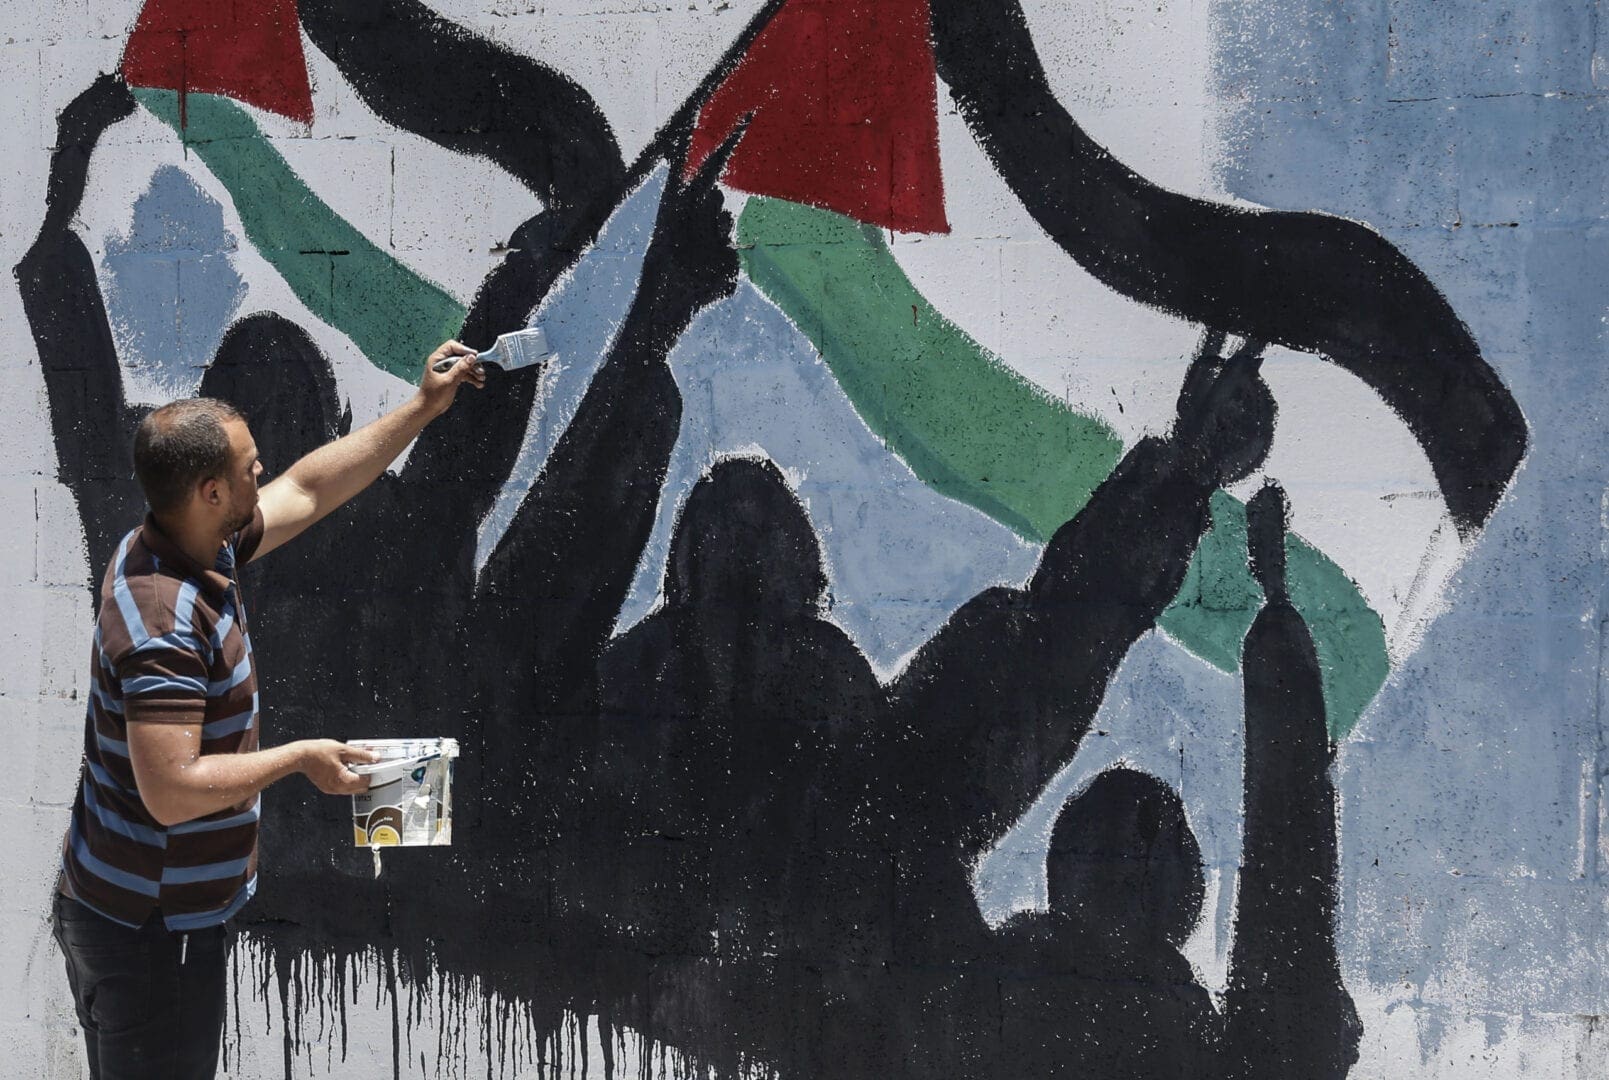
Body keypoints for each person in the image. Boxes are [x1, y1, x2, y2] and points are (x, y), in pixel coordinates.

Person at [50, 343, 485, 1080]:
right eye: (249, 465)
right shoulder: (164, 620)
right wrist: (299, 760)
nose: (264, 471)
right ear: (210, 492)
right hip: (153, 933)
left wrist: (422, 408)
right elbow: (170, 788)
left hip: (137, 914)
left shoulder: (190, 543)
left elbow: (310, 489)